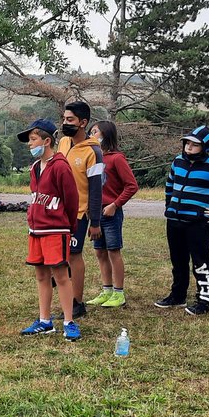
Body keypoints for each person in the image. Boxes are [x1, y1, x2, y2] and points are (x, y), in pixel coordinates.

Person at [156, 124, 209, 315]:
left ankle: (204, 300)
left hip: (197, 224)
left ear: (205, 146)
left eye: (195, 144)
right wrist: (169, 206)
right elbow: (169, 184)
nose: (189, 147)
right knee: (178, 261)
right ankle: (177, 295)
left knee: (200, 262)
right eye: (187, 143)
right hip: (174, 221)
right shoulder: (178, 161)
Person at [17, 119, 81, 340]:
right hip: (36, 231)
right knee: (41, 275)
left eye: (33, 139)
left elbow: (72, 200)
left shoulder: (61, 166)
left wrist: (70, 227)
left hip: (56, 230)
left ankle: (69, 321)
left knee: (61, 276)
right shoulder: (35, 167)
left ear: (46, 141)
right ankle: (45, 321)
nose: (29, 144)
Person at [56, 101, 104, 319]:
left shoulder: (94, 151)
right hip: (57, 211)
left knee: (74, 255)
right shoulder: (63, 142)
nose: (65, 123)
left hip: (79, 213)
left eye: (70, 120)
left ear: (83, 123)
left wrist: (95, 222)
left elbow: (96, 189)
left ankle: (78, 303)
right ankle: (65, 296)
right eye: (64, 119)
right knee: (60, 255)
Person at [85, 119, 138, 308]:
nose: (92, 134)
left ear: (106, 135)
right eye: (90, 131)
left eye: (96, 131)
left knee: (113, 251)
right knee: (100, 252)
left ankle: (118, 293)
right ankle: (106, 290)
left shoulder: (117, 158)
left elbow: (132, 186)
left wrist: (115, 204)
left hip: (111, 212)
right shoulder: (92, 158)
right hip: (95, 214)